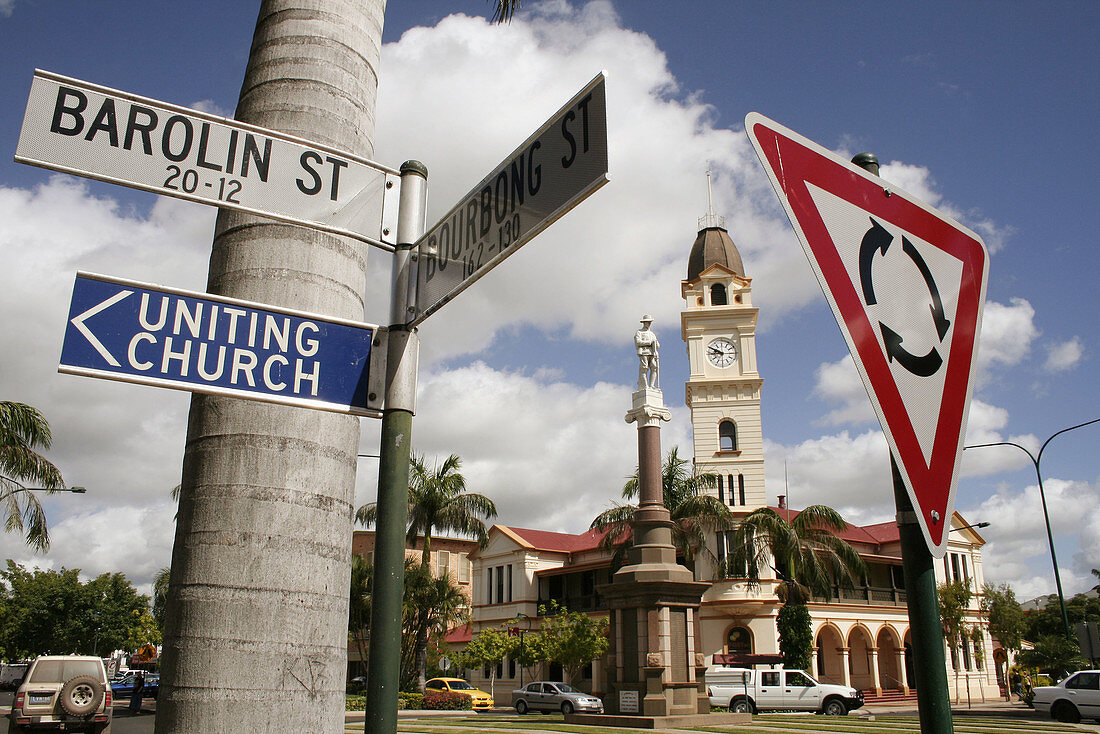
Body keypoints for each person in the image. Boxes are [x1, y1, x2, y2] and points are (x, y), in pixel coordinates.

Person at [634, 315, 660, 389]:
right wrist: (648, 342)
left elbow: (657, 344)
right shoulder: (639, 332)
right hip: (644, 351)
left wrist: (656, 344)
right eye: (647, 322)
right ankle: (644, 385)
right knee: (644, 368)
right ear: (644, 323)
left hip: (652, 352)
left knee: (654, 367)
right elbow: (638, 342)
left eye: (650, 322)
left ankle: (652, 385)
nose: (649, 324)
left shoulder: (652, 334)